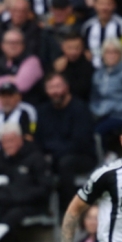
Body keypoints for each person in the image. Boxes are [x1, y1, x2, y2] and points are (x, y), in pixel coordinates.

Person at [36, 72, 95, 206]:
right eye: (51, 87)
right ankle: (41, 208)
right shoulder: (42, 111)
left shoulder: (80, 108)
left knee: (65, 163)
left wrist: (52, 151)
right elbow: (39, 140)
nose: (55, 91)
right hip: (53, 156)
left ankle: (69, 209)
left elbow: (80, 142)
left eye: (58, 86)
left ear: (66, 87)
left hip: (82, 156)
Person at [0, 122, 52, 242]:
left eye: (11, 140)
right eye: (4, 142)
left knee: (12, 216)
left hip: (31, 204)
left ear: (20, 139)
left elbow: (44, 188)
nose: (8, 145)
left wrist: (19, 196)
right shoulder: (2, 159)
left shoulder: (35, 157)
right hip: (7, 203)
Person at [90, 37, 122, 150]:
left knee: (100, 131)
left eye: (115, 52)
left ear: (121, 54)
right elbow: (94, 97)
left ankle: (107, 158)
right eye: (108, 52)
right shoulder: (98, 74)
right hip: (100, 113)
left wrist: (116, 108)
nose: (111, 55)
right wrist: (95, 109)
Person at [80, 0, 122, 68]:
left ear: (114, 5)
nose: (105, 8)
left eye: (108, 4)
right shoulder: (87, 26)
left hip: (115, 68)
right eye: (101, 4)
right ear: (95, 5)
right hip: (91, 68)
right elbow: (84, 48)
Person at [53, 33, 93, 101]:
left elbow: (83, 89)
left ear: (82, 48)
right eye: (69, 48)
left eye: (77, 48)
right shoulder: (56, 62)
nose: (73, 52)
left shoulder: (87, 64)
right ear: (62, 47)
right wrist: (56, 72)